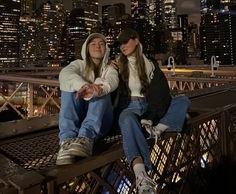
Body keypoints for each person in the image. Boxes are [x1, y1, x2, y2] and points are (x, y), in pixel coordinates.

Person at [112, 28, 190, 194]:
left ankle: (156, 129)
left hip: (148, 106)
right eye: (120, 44)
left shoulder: (150, 64)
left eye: (126, 41)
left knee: (182, 100)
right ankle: (141, 174)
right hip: (129, 106)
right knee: (126, 119)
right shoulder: (117, 65)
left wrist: (150, 117)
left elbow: (160, 93)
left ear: (136, 40)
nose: (122, 46)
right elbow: (107, 84)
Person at [56, 33, 119, 165]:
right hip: (79, 119)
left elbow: (112, 80)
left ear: (106, 49)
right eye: (93, 43)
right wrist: (84, 86)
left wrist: (97, 88)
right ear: (87, 48)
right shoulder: (78, 64)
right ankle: (67, 141)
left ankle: (86, 138)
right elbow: (65, 73)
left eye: (101, 44)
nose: (97, 46)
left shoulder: (109, 68)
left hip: (102, 121)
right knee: (69, 87)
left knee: (100, 88)